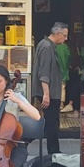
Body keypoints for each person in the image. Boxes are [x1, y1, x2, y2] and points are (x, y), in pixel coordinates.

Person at [32, 22, 67, 154]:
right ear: (58, 34)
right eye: (64, 35)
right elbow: (44, 72)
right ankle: (53, 154)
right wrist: (46, 94)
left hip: (50, 92)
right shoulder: (47, 47)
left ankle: (54, 152)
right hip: (49, 93)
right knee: (52, 125)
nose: (65, 38)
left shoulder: (47, 45)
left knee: (52, 123)